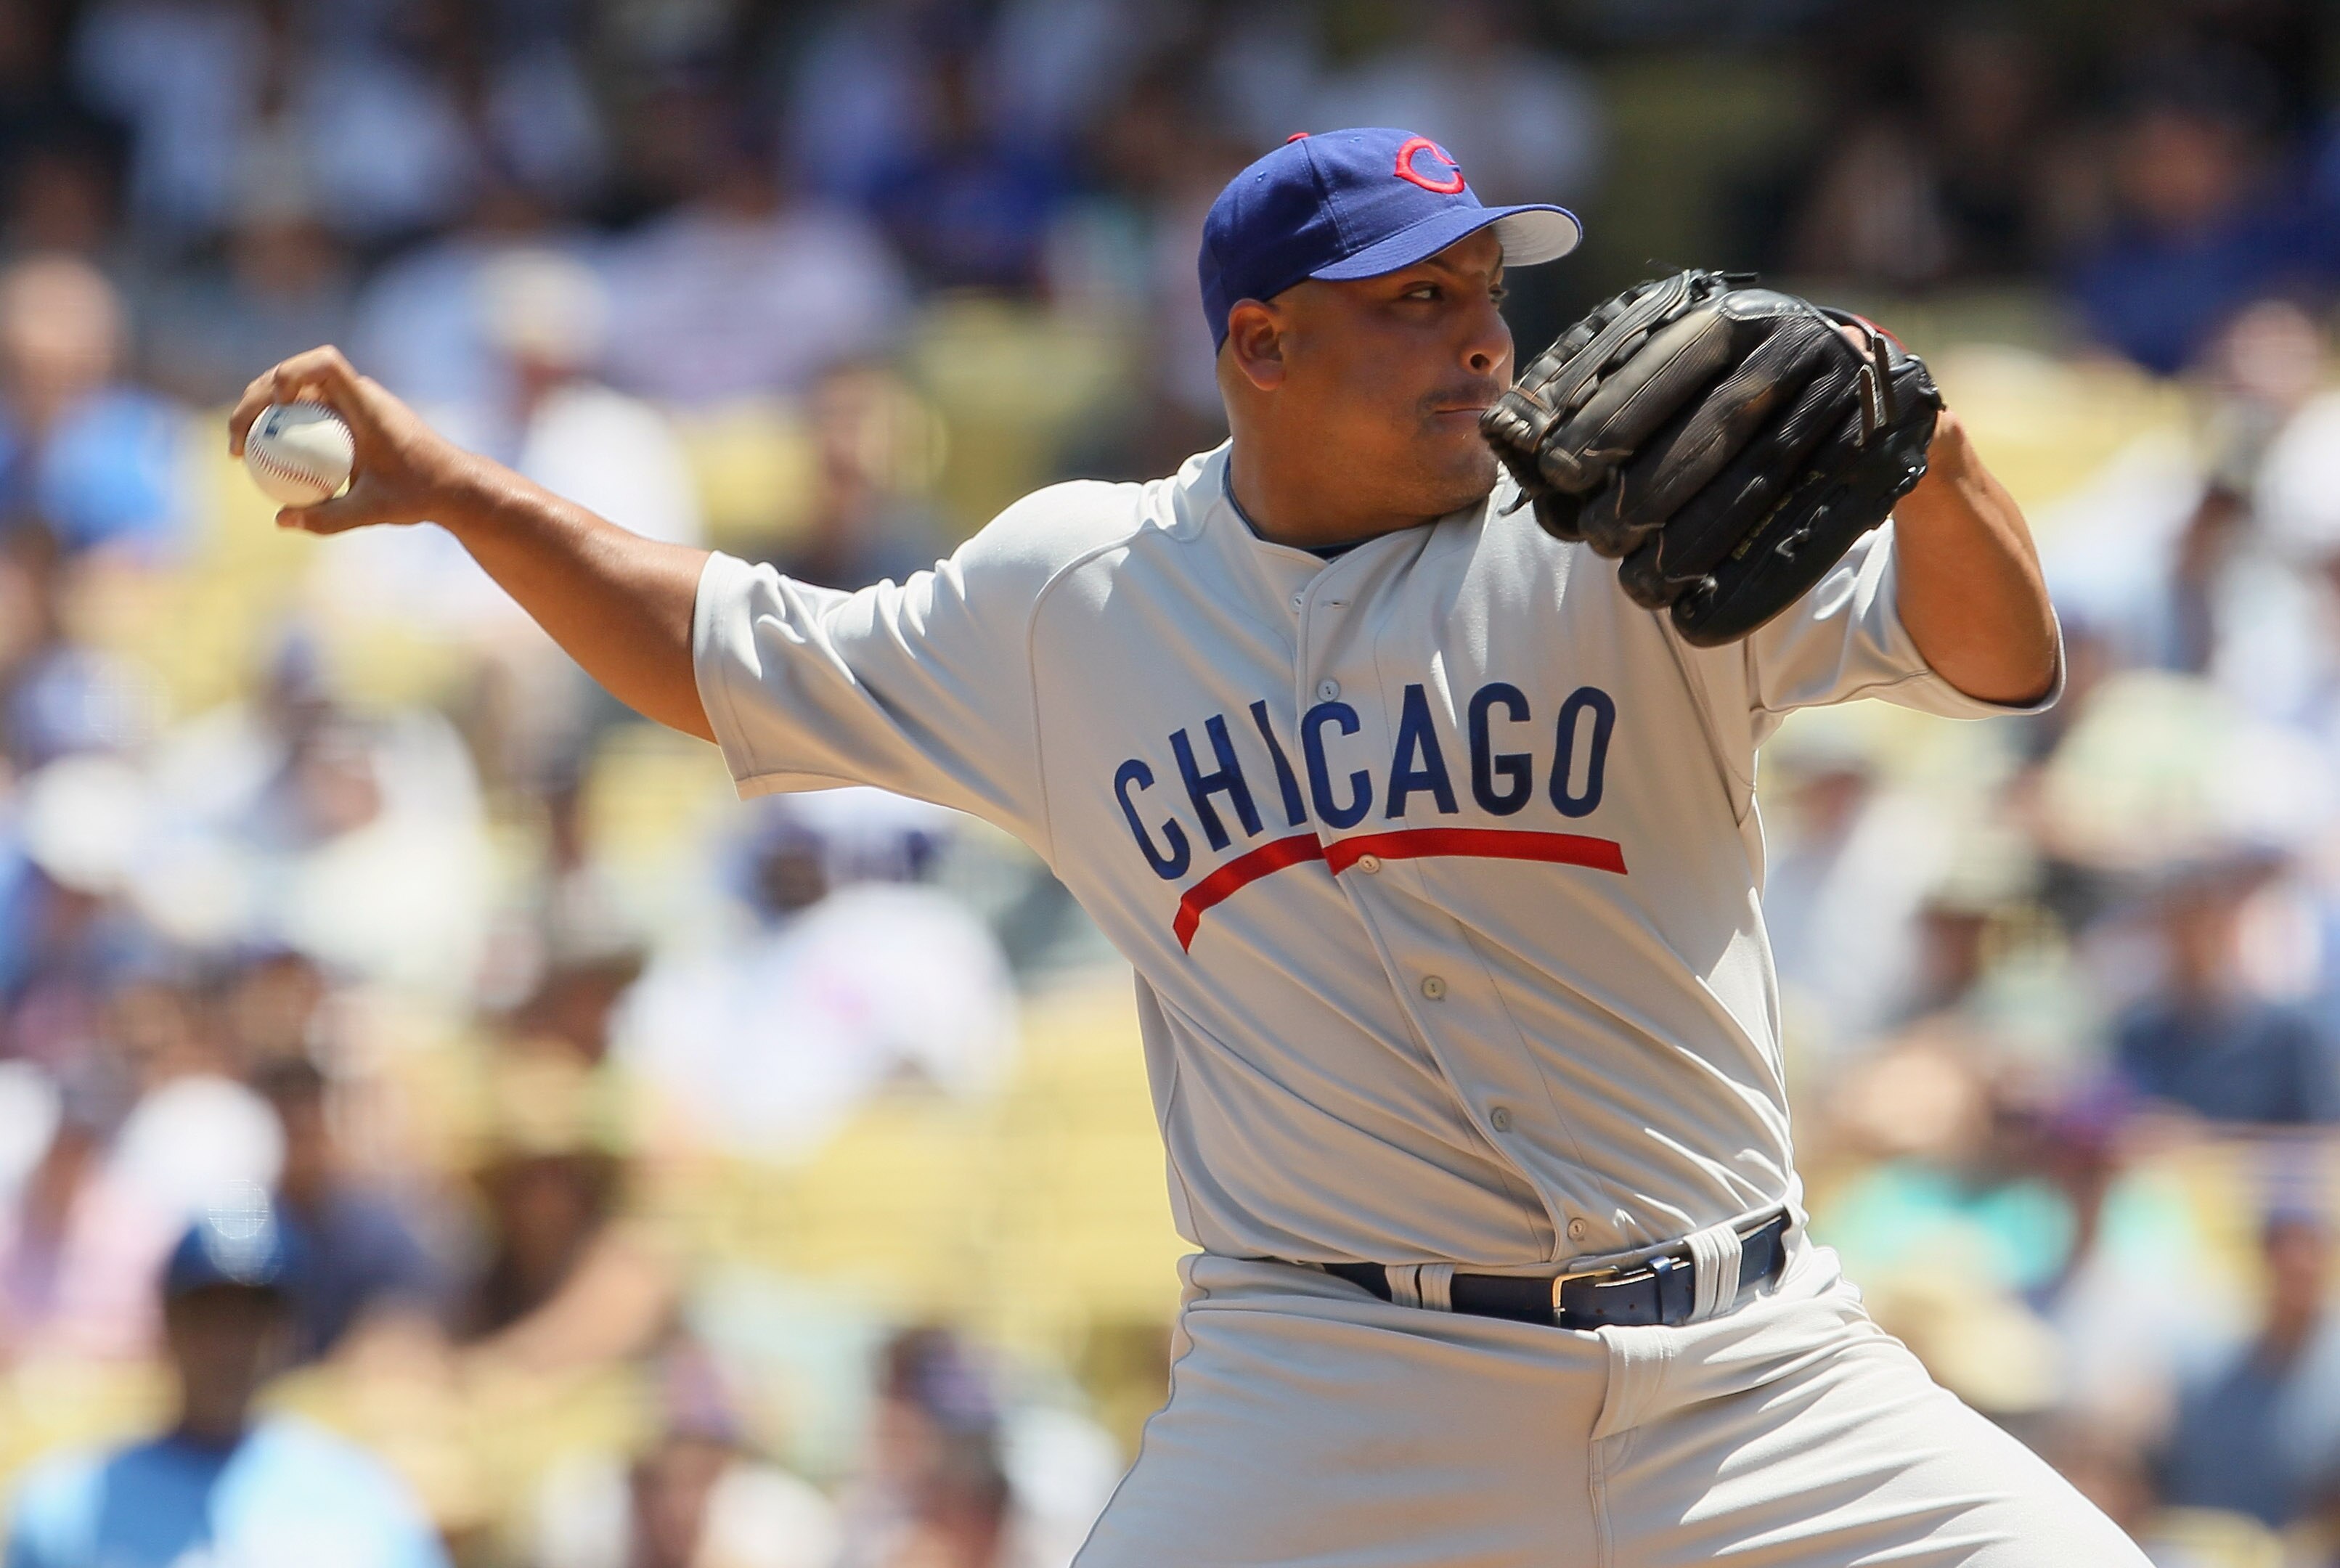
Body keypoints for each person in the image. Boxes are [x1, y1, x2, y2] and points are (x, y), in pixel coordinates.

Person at [231, 125, 2135, 1564]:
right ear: (1257, 344)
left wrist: (1935, 458)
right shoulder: (1075, 593)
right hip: (1334, 1389)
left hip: (1742, 1366)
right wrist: (453, 488)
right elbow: (727, 649)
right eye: (1414, 303)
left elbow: (1987, 664)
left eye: (1484, 289)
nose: (1482, 342)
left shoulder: (1618, 531)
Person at [4, 1194, 449, 1568]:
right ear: (167, 1325)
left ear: (289, 1336)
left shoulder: (362, 1497)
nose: (230, 1346)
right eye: (209, 1317)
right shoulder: (67, 1504)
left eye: (252, 1322)